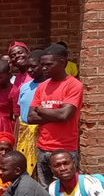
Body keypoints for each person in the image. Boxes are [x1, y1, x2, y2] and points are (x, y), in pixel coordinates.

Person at [28, 44, 84, 187]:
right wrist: (56, 114)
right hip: (42, 148)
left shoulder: (73, 85)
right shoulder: (42, 87)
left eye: (48, 65)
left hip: (65, 148)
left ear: (62, 63)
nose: (43, 68)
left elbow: (65, 115)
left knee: (67, 188)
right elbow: (30, 117)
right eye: (42, 65)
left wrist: (41, 110)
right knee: (46, 189)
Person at [12, 51, 46, 177]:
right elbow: (19, 117)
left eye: (33, 66)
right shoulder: (25, 87)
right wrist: (15, 142)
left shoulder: (48, 87)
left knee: (39, 170)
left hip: (41, 133)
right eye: (28, 67)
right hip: (24, 133)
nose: (30, 70)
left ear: (42, 66)